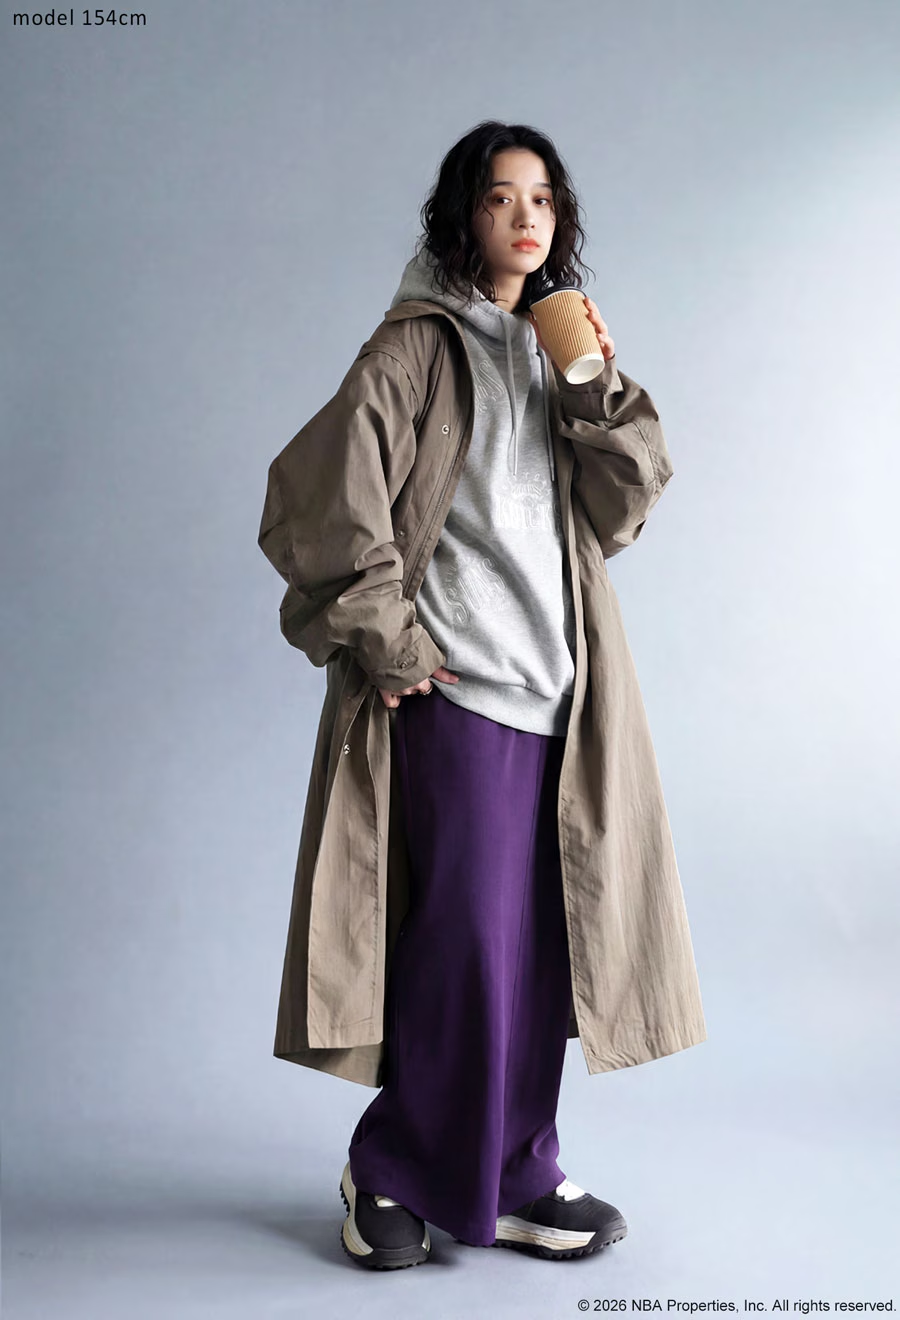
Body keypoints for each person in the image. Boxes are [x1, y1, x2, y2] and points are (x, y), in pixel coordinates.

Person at [257, 119, 707, 1271]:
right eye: (501, 196)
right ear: (463, 213)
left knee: (543, 953)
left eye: (542, 199)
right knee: (461, 944)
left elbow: (624, 508)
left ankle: (514, 1171)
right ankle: (393, 1166)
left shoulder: (555, 346)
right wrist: (392, 643)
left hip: (566, 693)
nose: (524, 217)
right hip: (458, 694)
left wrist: (594, 384)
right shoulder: (417, 344)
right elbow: (321, 498)